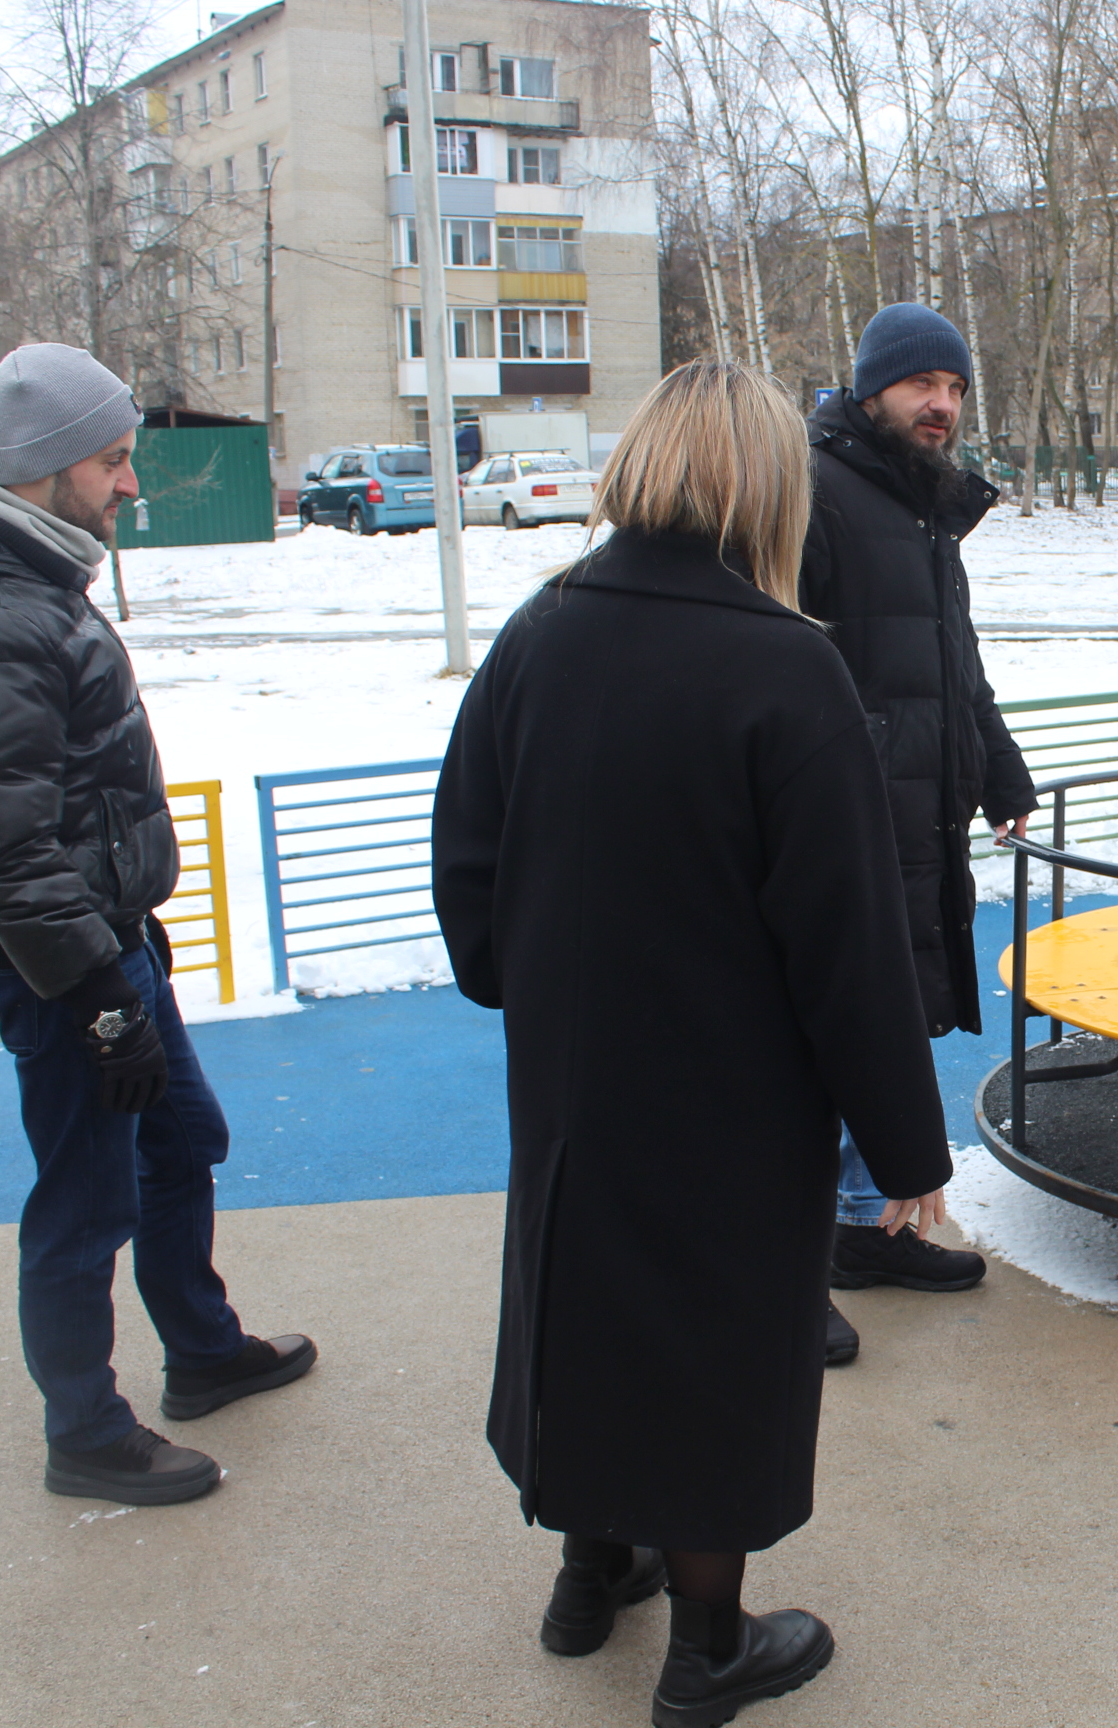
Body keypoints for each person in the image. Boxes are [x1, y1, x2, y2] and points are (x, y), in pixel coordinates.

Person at [431, 359, 954, 1728]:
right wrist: (907, 1146)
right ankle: (709, 1648)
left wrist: (520, 982)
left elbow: (466, 854)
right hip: (732, 1097)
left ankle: (590, 1572)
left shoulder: (544, 630)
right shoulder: (788, 668)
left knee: (584, 1311)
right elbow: (848, 946)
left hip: (575, 1080)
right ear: (769, 486)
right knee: (718, 1350)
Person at [0, 343, 315, 1507]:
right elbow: (4, 853)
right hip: (57, 963)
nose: (129, 485)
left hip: (104, 939)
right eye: (113, 461)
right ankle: (85, 1431)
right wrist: (101, 997)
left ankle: (204, 1351)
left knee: (182, 1141)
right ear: (46, 466)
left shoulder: (24, 587)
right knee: (85, 1195)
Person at [801, 304, 1037, 1357]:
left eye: (955, 387)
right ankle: (787, 1269)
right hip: (840, 820)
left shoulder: (920, 507)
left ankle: (863, 1227)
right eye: (920, 385)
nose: (941, 405)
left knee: (885, 1020)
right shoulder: (816, 493)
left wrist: (999, 768)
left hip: (913, 811)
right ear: (870, 390)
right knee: (819, 1040)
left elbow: (953, 666)